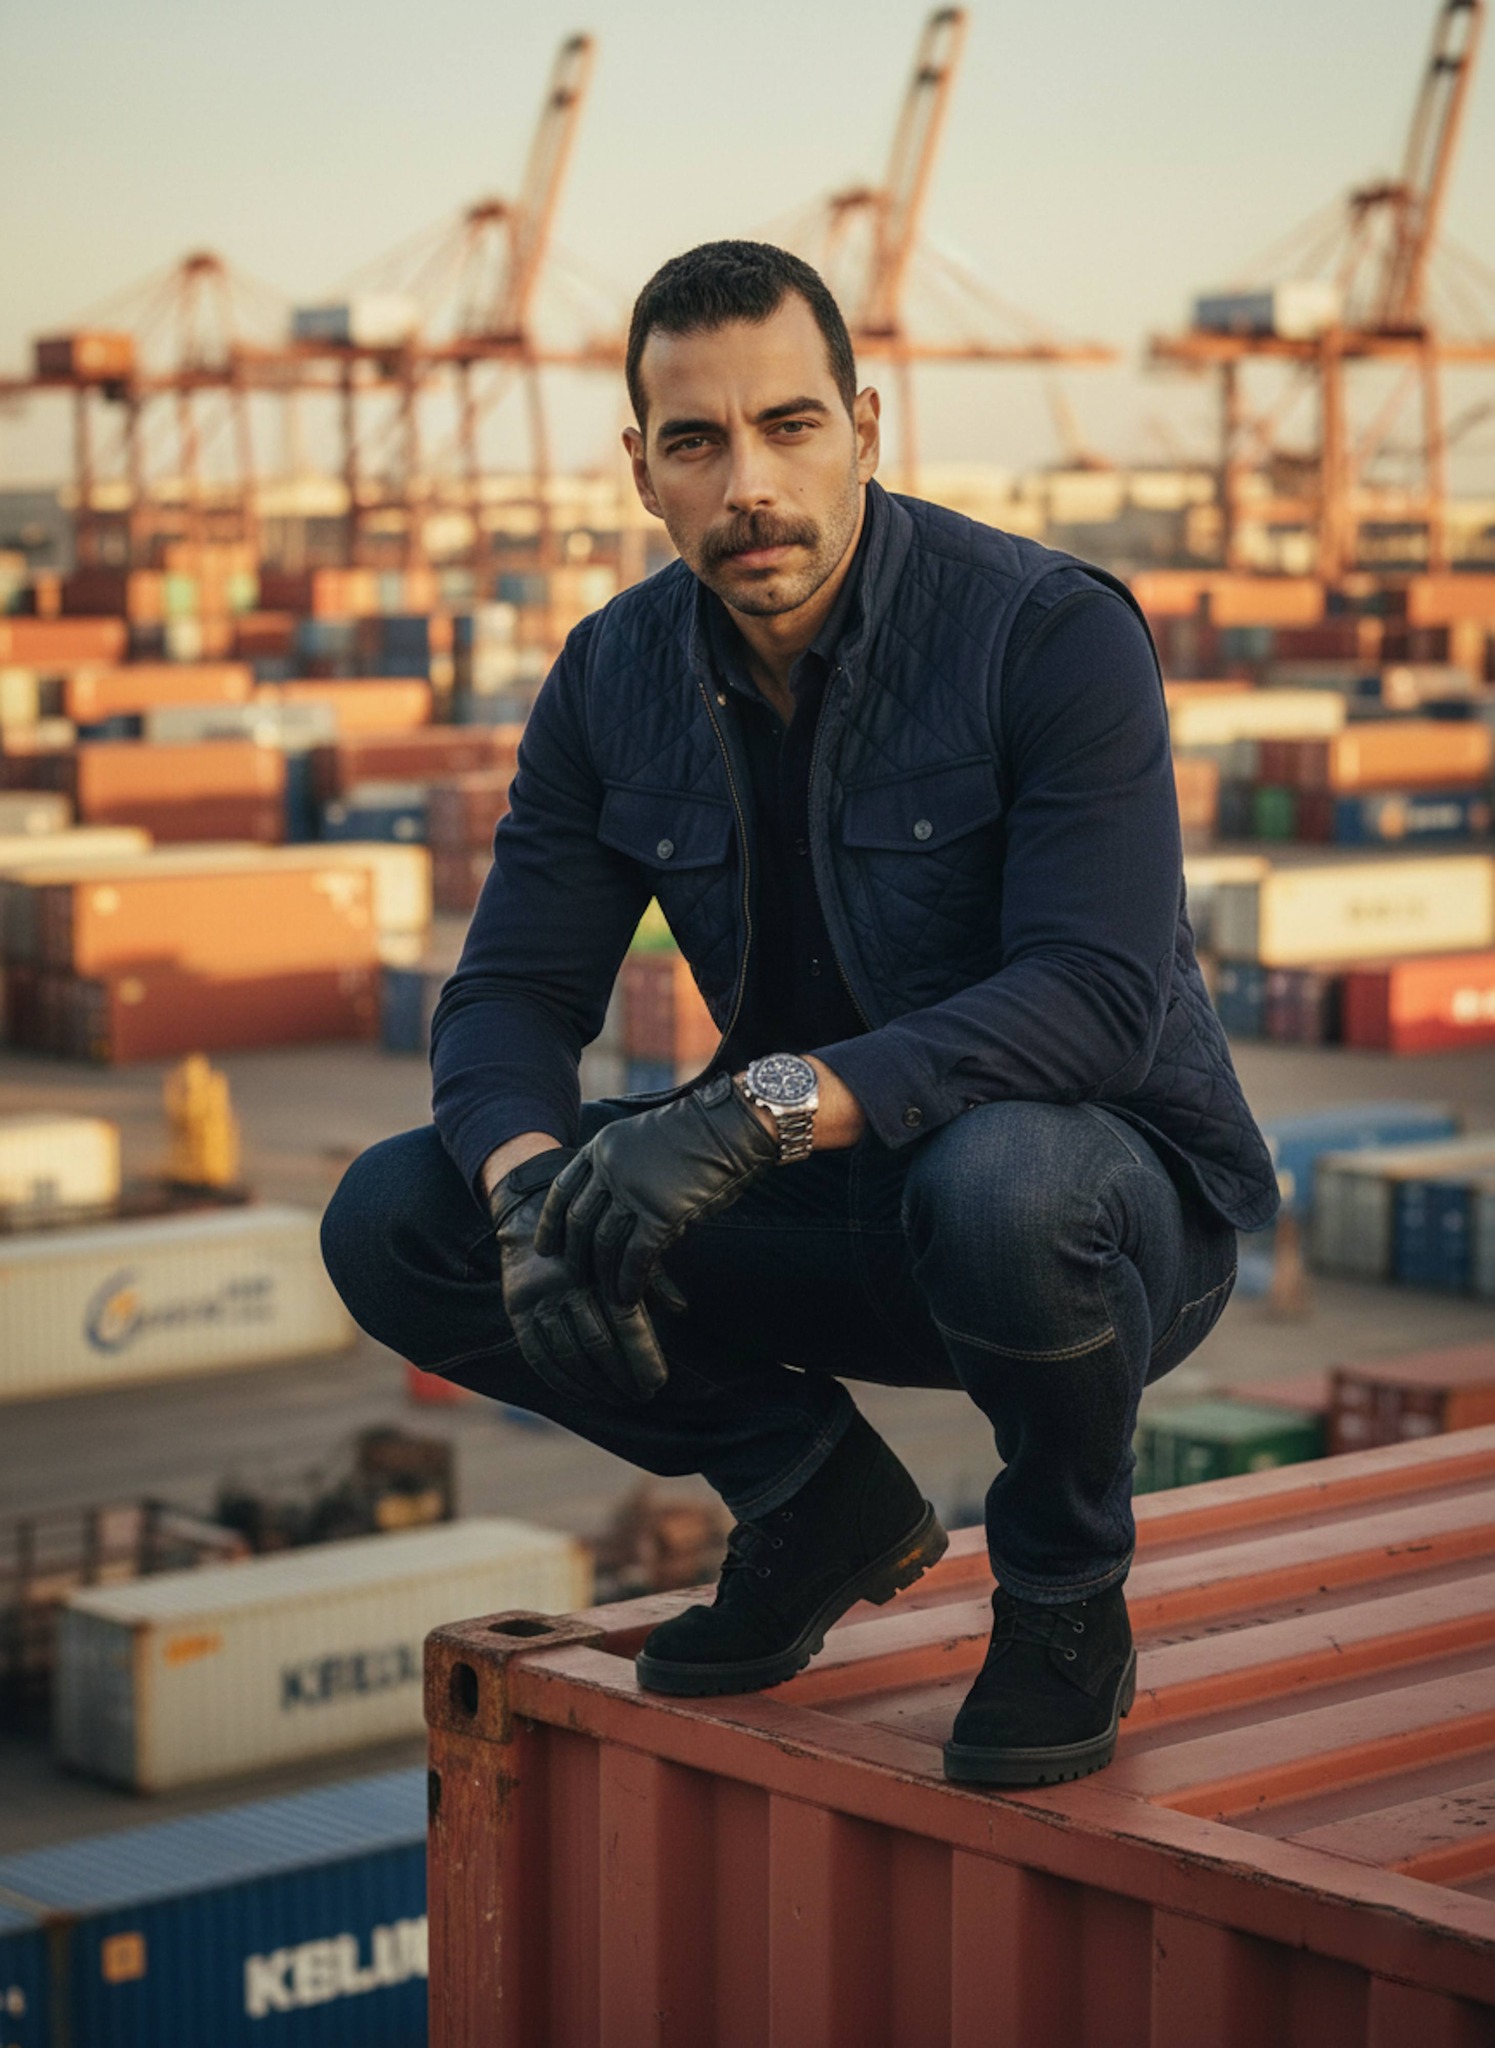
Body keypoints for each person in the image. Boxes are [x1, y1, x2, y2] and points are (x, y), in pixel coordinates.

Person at [322, 240, 1278, 1787]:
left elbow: (1098, 1000)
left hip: (1099, 1228)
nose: (748, 483)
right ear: (644, 471)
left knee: (1003, 1178)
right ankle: (809, 1492)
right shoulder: (608, 678)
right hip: (818, 1207)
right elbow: (509, 992)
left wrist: (752, 1111)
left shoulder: (1045, 632)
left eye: (791, 427)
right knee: (396, 1214)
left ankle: (1059, 1593)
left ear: (869, 427)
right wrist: (524, 1199)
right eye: (697, 442)